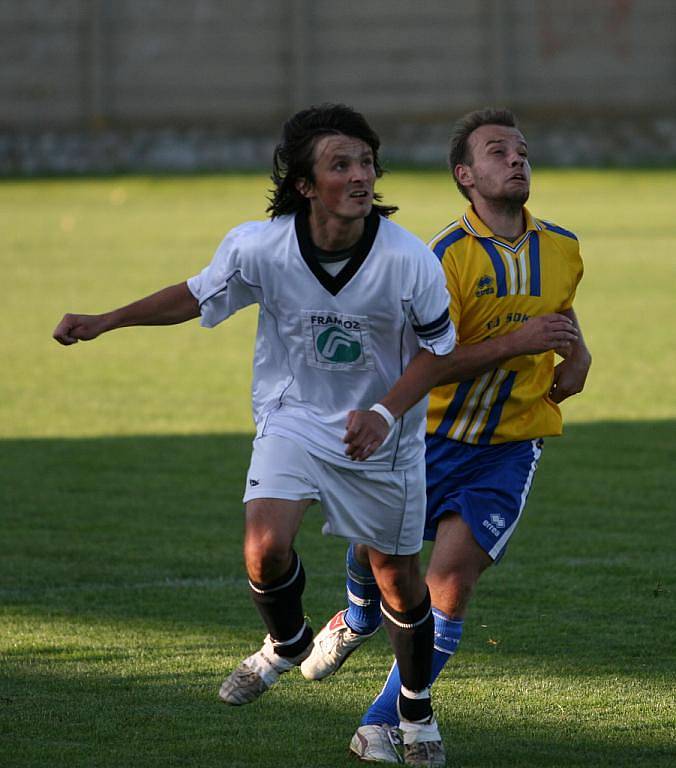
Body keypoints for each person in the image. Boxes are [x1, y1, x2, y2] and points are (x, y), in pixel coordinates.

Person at [53, 104, 464, 765]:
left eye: (366, 162)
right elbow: (195, 294)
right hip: (293, 415)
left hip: (383, 434)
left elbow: (440, 351)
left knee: (397, 580)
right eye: (341, 165)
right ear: (305, 184)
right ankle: (290, 642)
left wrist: (384, 414)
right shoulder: (260, 246)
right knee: (264, 549)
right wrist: (107, 320)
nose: (362, 176)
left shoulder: (408, 260)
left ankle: (414, 710)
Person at [299, 107, 591, 765]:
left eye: (521, 150)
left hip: (511, 446)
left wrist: (577, 354)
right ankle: (360, 617)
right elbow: (423, 364)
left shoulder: (563, 246)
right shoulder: (441, 260)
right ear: (465, 175)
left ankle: (384, 723)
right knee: (376, 556)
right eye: (496, 152)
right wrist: (516, 341)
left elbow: (560, 308)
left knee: (448, 582)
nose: (516, 159)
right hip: (424, 439)